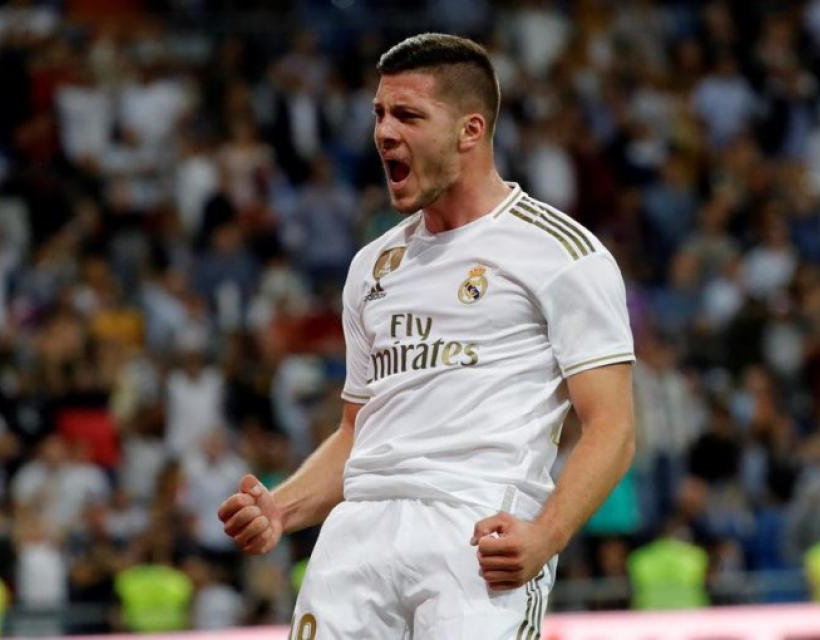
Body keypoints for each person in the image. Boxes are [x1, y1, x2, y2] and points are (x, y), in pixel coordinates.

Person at [218, 33, 635, 639]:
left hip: (476, 535)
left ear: (470, 131)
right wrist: (280, 508)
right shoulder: (372, 266)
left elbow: (613, 427)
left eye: (408, 116)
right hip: (355, 539)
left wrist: (546, 535)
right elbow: (357, 432)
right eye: (380, 114)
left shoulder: (560, 254)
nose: (384, 133)